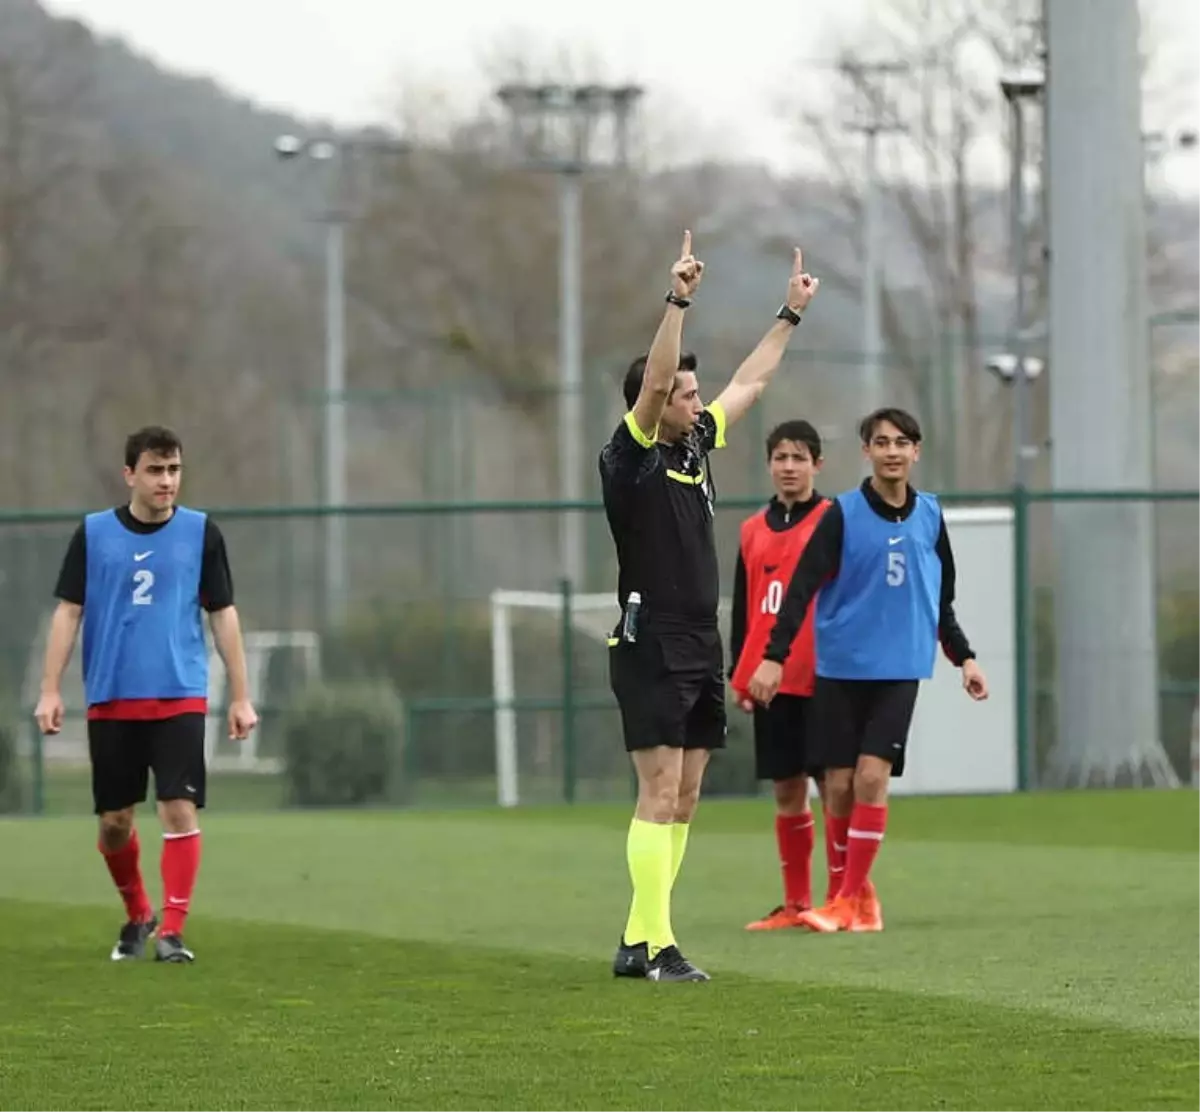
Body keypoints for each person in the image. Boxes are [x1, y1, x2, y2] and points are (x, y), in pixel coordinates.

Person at [600, 230, 820, 982]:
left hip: (700, 640)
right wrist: (679, 300)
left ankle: (640, 937)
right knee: (657, 790)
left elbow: (751, 382)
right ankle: (659, 945)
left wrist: (788, 316)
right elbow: (660, 380)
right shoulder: (629, 458)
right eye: (686, 394)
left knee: (687, 796)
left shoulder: (695, 446)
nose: (699, 401)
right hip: (650, 640)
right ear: (653, 403)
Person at [747, 407, 988, 933]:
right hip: (840, 668)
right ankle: (848, 899)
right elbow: (802, 589)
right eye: (882, 442)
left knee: (871, 778)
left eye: (902, 442)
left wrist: (963, 657)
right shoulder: (843, 514)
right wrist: (774, 655)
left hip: (899, 668)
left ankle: (851, 898)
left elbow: (938, 599)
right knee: (836, 785)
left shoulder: (930, 515)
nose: (892, 451)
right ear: (867, 452)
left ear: (916, 452)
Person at [33, 425, 258, 964]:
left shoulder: (202, 534)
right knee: (115, 823)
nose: (166, 481)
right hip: (113, 695)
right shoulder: (93, 535)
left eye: (174, 470)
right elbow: (68, 612)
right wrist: (49, 690)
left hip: (180, 692)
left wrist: (241, 696)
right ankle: (138, 913)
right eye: (155, 470)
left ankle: (172, 931)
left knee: (178, 808)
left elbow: (222, 614)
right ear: (129, 473)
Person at [728, 419, 837, 930]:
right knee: (786, 788)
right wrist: (739, 673)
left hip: (822, 673)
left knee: (833, 783)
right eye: (780, 458)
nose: (789, 467)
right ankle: (796, 903)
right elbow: (744, 609)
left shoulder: (835, 520)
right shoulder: (752, 530)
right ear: (769, 464)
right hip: (770, 682)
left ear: (817, 464)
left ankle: (845, 895)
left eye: (799, 457)